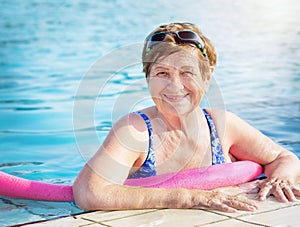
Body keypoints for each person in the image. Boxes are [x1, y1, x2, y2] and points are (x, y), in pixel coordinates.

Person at [73, 22, 300, 212]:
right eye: (162, 73)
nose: (175, 86)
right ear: (148, 79)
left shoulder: (222, 126)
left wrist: (280, 179)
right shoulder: (136, 131)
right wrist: (190, 198)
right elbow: (89, 192)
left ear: (207, 76)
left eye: (187, 72)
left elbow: (283, 157)